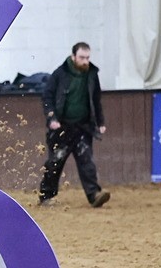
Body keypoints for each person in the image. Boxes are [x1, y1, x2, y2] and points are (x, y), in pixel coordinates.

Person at [37, 42, 109, 207]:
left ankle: (94, 195)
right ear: (73, 57)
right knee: (55, 162)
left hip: (83, 127)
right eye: (82, 57)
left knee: (87, 162)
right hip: (62, 128)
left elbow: (96, 99)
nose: (85, 61)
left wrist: (100, 121)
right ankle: (46, 196)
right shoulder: (60, 74)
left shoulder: (91, 74)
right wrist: (52, 118)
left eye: (87, 58)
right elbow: (47, 96)